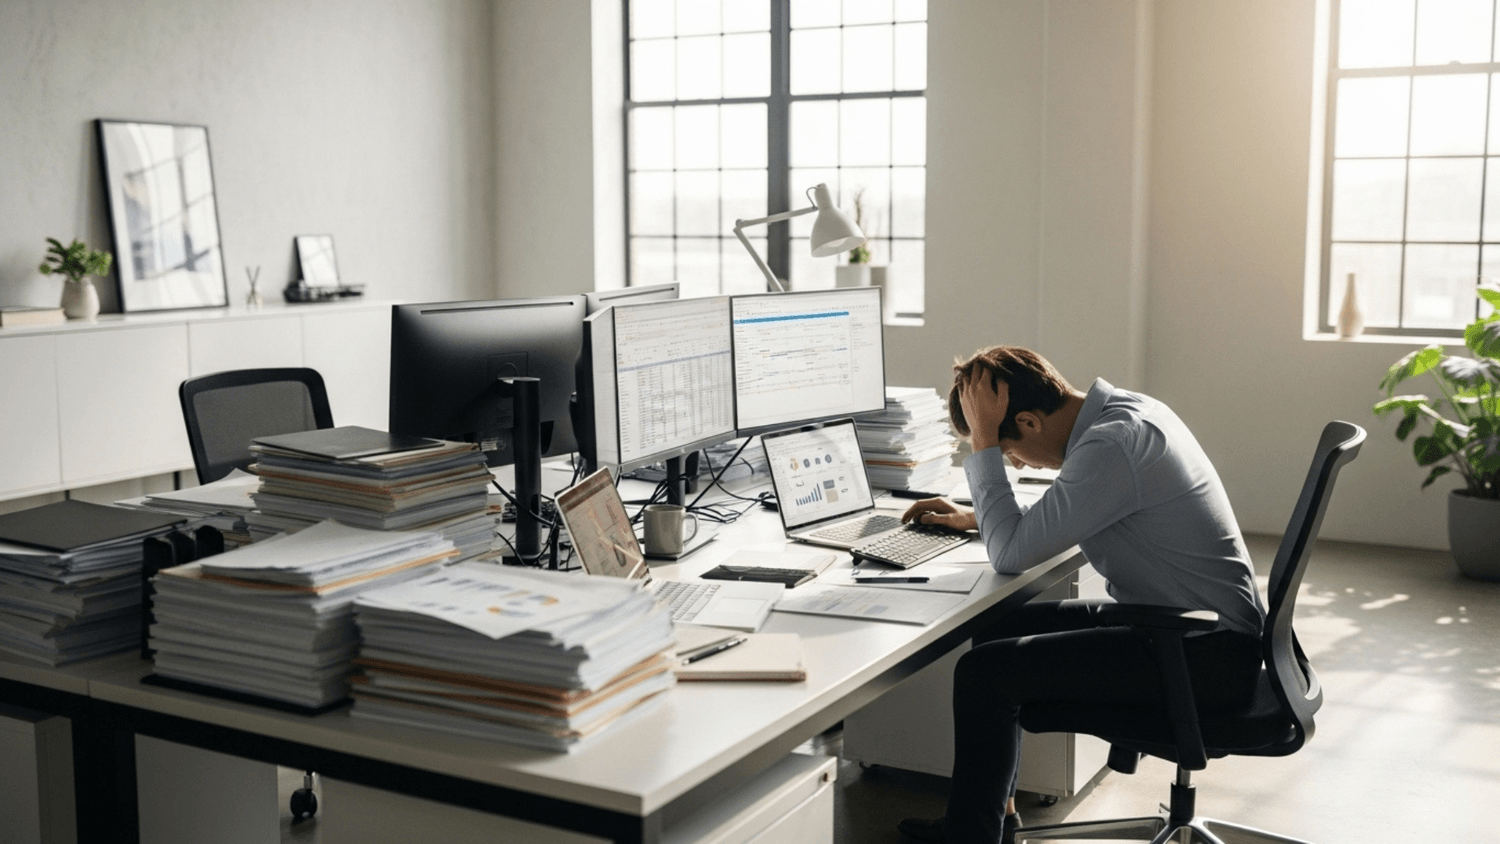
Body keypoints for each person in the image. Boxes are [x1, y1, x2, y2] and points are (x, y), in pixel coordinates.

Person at [895, 346, 1266, 844]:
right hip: (1191, 627)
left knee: (982, 675)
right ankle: (989, 824)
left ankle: (970, 840)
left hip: (1204, 658)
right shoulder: (1125, 414)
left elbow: (1010, 555)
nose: (1016, 467)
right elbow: (1047, 520)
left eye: (1006, 452)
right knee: (995, 628)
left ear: (1027, 422)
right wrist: (979, 514)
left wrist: (981, 445)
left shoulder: (1112, 447)